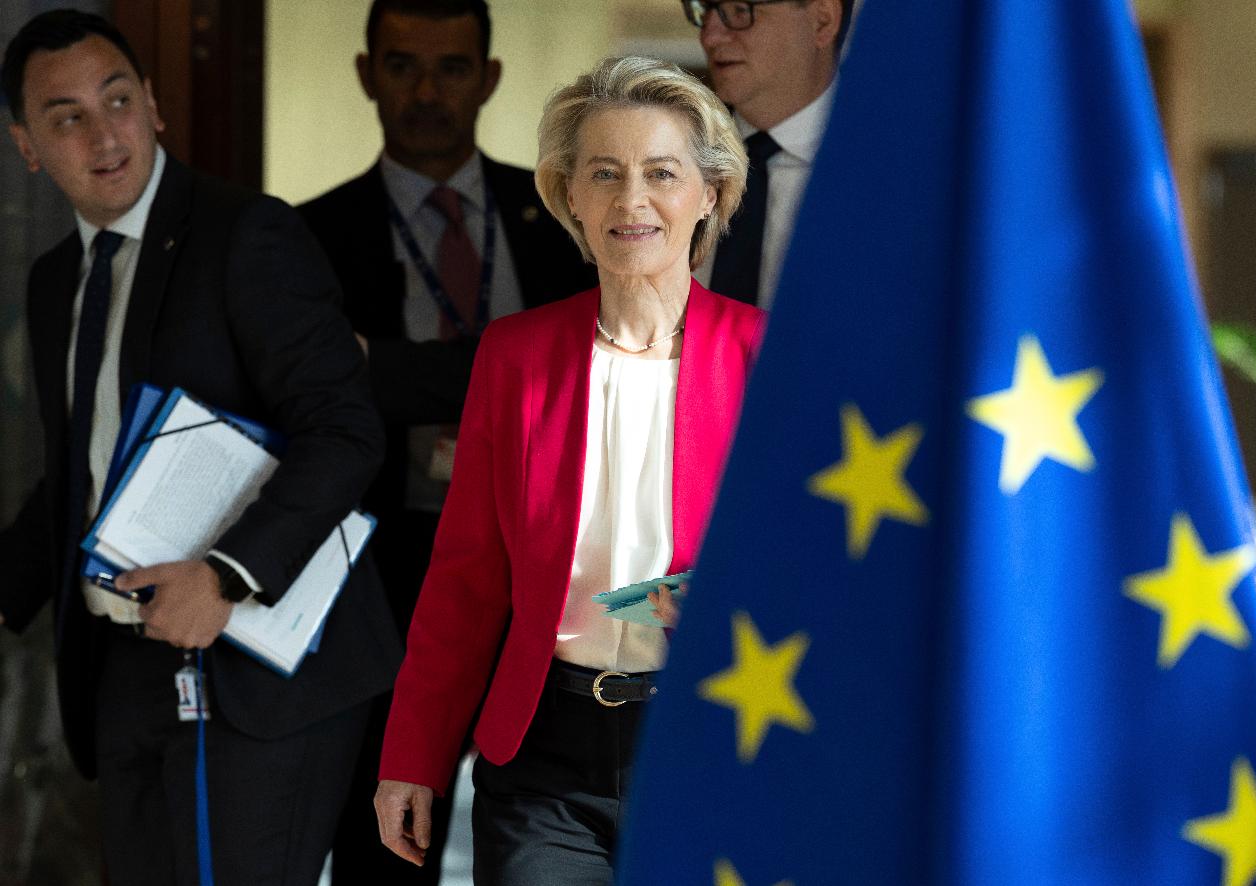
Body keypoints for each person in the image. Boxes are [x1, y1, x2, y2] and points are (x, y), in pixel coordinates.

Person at [0, 10, 401, 885]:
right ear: (27, 145)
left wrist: (225, 575)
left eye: (116, 100)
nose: (102, 134)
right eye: (65, 117)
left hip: (261, 664)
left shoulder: (244, 234)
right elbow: (84, 473)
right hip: (124, 663)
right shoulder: (55, 279)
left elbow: (344, 430)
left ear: (153, 103)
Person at [373, 55, 763, 884]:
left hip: (715, 738)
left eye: (661, 173)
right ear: (570, 198)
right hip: (545, 757)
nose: (631, 200)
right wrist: (411, 754)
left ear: (709, 193)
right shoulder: (515, 357)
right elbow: (467, 577)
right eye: (604, 174)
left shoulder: (773, 359)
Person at [298, 0, 593, 879]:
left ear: (489, 80)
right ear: (365, 75)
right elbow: (317, 401)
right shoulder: (306, 237)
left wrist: (381, 368)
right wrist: (507, 366)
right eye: (401, 66)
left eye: (452, 68)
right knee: (387, 849)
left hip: (544, 565)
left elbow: (584, 370)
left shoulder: (571, 217)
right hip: (379, 575)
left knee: (546, 842)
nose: (426, 91)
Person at [683, 0, 854, 307]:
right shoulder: (665, 161)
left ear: (822, 21)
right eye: (705, 10)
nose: (709, 37)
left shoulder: (902, 179)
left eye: (739, 11)